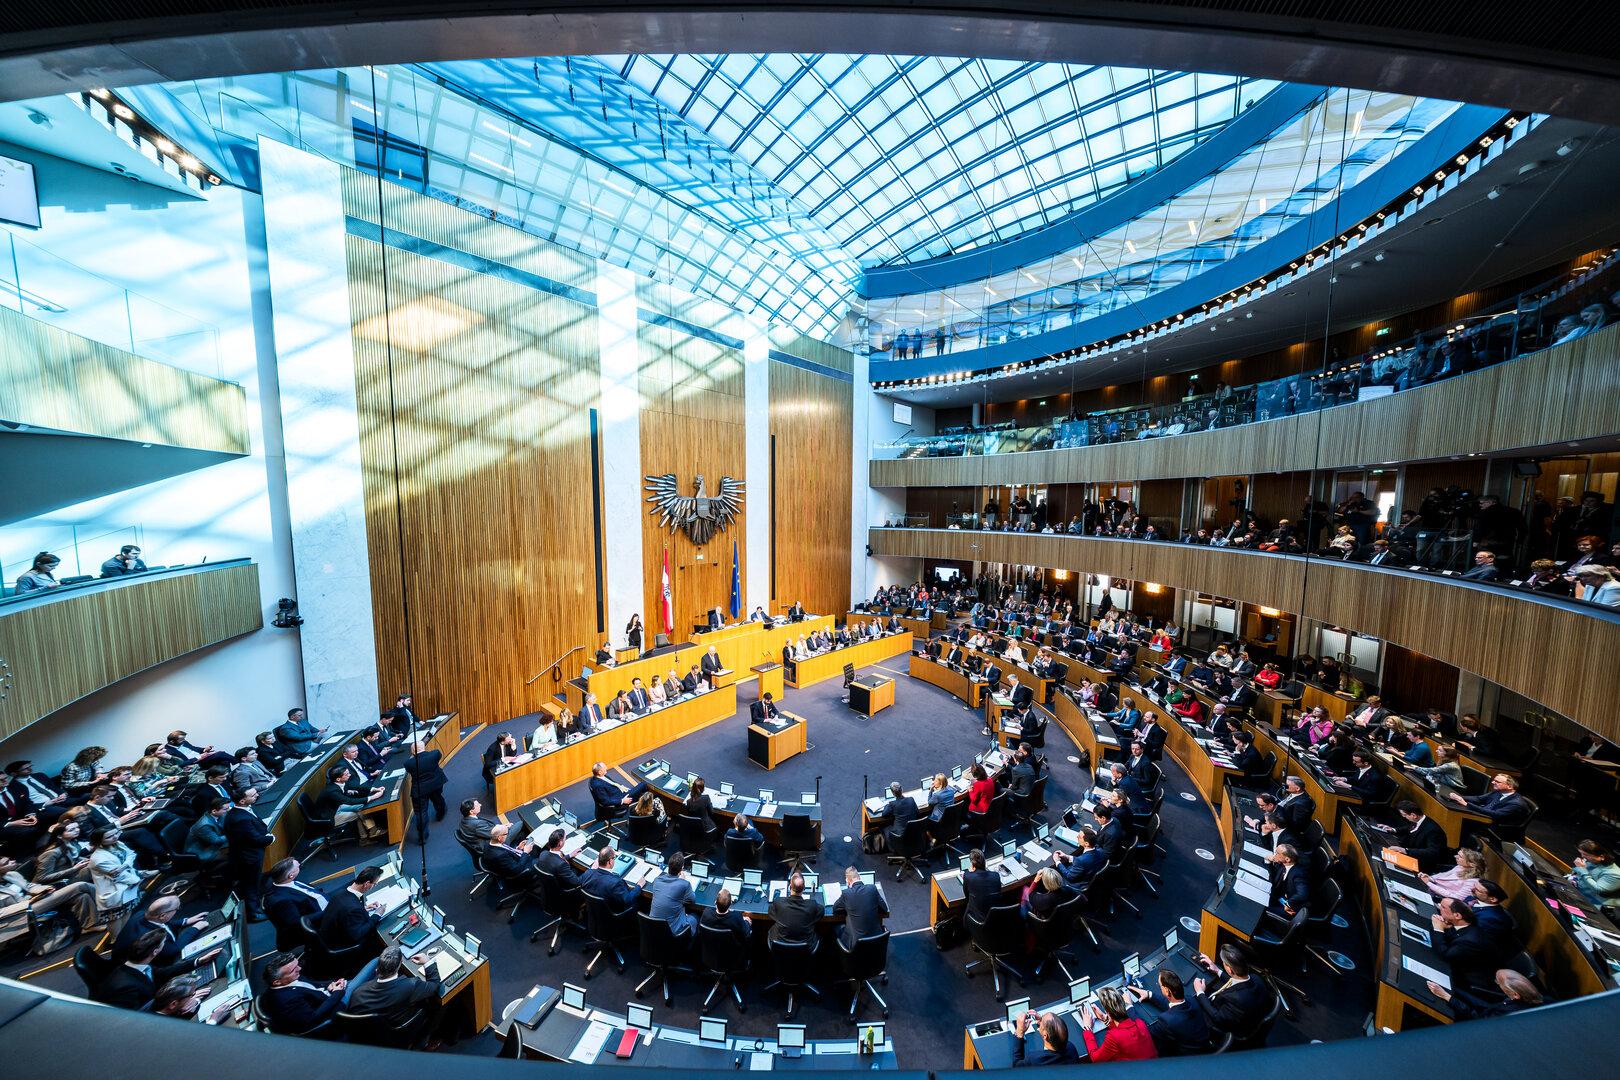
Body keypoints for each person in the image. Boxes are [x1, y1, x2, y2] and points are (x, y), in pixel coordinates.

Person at [258, 950, 374, 1035]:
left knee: (366, 979)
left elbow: (314, 984)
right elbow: (314, 1017)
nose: (299, 969)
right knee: (375, 963)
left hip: (330, 994)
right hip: (334, 1007)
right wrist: (337, 993)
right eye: (294, 969)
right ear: (277, 982)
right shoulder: (285, 1001)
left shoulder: (289, 978)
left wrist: (330, 985)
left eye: (297, 964)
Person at [347, 945, 442, 1036]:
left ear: (377, 969)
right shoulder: (410, 986)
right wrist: (427, 962)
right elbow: (434, 985)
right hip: (395, 1032)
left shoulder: (357, 992)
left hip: (366, 1033)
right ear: (400, 963)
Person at [0, 852, 98, 934]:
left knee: (82, 896)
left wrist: (45, 889)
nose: (12, 861)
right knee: (79, 886)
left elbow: (30, 886)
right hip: (22, 911)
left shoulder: (12, 874)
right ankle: (107, 906)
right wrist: (29, 902)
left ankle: (89, 926)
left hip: (37, 899)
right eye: (7, 863)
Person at [1432, 896, 1512, 993]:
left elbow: (1445, 955)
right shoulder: (1464, 925)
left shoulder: (1469, 941)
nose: (1439, 908)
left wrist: (1438, 929)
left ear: (1457, 916)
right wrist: (1442, 927)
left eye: (1443, 907)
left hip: (1468, 980)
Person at [1125, 970, 1210, 1056]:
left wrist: (1129, 1007)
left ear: (1166, 991)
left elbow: (1145, 1031)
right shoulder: (1191, 1000)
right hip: (1205, 1049)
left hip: (1187, 1059)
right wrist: (1149, 995)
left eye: (1160, 985)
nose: (1159, 987)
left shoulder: (1167, 1020)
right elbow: (1175, 1005)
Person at [113, 894, 210, 969]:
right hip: (152, 966)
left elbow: (164, 923)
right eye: (177, 908)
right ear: (162, 915)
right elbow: (173, 950)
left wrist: (185, 921)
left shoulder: (143, 914)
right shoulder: (150, 936)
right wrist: (195, 928)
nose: (177, 911)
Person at [1191, 944, 1270, 1033]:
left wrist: (1200, 992)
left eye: (1224, 963)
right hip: (1249, 1012)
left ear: (1229, 970)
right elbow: (1238, 982)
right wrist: (1217, 970)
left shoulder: (1235, 1000)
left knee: (1190, 1004)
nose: (1223, 964)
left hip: (1217, 1025)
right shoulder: (1256, 978)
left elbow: (1217, 1017)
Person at [223, 788, 273, 914]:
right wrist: (271, 838)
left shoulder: (241, 811)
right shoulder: (240, 819)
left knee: (253, 882)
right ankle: (254, 912)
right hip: (248, 857)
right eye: (253, 795)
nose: (257, 795)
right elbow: (255, 840)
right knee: (251, 884)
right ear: (242, 800)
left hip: (248, 853)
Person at [1426, 969, 1545, 1020]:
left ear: (1515, 995)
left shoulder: (1506, 1013)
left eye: (1499, 983)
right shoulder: (1533, 996)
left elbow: (1476, 1017)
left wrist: (1446, 996)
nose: (1498, 984)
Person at [263, 857, 330, 947]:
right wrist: (330, 911)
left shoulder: (284, 880)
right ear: (291, 875)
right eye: (297, 867)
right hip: (319, 918)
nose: (300, 865)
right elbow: (298, 924)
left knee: (353, 886)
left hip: (320, 901)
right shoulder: (282, 901)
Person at [317, 865, 385, 952]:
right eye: (375, 884)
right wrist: (377, 914)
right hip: (339, 943)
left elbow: (345, 912)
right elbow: (357, 934)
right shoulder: (353, 908)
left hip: (328, 933)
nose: (375, 885)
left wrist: (364, 909)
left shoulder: (340, 893)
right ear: (366, 884)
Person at [1082, 986, 1159, 1061]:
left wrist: (1088, 1028)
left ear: (1108, 1013)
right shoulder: (1140, 1023)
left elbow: (1096, 1058)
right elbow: (1124, 1030)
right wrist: (1104, 1018)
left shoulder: (1113, 1037)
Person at [87, 827, 146, 915]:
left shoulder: (117, 843)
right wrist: (139, 878)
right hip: (114, 895)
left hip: (127, 887)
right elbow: (118, 875)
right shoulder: (98, 858)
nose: (115, 837)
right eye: (109, 837)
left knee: (133, 913)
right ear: (99, 841)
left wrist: (124, 866)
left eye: (115, 834)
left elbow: (131, 854)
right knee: (118, 926)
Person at [832, 865, 889, 948]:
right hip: (877, 941)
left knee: (836, 927)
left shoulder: (846, 893)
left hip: (856, 946)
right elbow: (885, 908)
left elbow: (835, 909)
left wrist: (848, 908)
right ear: (859, 877)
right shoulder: (872, 888)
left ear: (847, 881)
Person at [403, 739, 447, 842]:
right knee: (438, 800)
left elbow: (410, 769)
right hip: (435, 784)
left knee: (421, 812)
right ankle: (440, 814)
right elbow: (438, 757)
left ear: (413, 751)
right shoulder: (435, 754)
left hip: (420, 790)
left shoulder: (408, 763)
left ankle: (422, 837)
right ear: (424, 748)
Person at [1447, 772, 1528, 827]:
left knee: (1455, 821)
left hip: (1493, 825)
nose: (1493, 782)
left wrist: (1466, 804)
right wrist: (1459, 797)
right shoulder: (1498, 792)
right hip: (1483, 815)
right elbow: (1479, 799)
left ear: (1509, 786)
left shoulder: (1516, 803)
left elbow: (1495, 814)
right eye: (1494, 780)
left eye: (1497, 781)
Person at [1388, 801, 1450, 872]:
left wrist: (1406, 851)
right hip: (1412, 855)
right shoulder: (1419, 820)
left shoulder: (1433, 830)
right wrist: (1393, 830)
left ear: (1413, 815)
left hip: (1423, 864)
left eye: (1404, 815)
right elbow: (1409, 828)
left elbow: (1432, 852)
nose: (1404, 817)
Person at [647, 852, 696, 940]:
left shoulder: (657, 880)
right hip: (672, 933)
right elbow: (692, 900)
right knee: (694, 917)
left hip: (652, 928)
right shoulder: (684, 884)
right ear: (682, 868)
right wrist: (683, 881)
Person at [767, 871, 821, 949]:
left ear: (789, 887)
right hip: (805, 949)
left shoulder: (779, 902)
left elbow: (771, 912)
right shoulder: (812, 905)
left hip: (780, 947)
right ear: (804, 888)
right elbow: (821, 912)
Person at [1010, 1009, 1081, 1066]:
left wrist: (1019, 1032)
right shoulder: (1071, 1048)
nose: (1040, 1021)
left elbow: (1017, 1065)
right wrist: (1044, 1024)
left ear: (1045, 1035)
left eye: (1041, 1021)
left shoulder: (1035, 1059)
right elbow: (1052, 1032)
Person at [581, 846, 639, 913]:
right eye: (614, 858)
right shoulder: (615, 882)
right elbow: (628, 900)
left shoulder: (588, 873)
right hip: (613, 917)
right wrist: (638, 887)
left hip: (592, 913)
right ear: (610, 861)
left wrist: (592, 869)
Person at [184, 796, 231, 869]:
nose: (228, 810)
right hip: (202, 851)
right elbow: (216, 840)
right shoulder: (204, 825)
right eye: (225, 809)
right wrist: (232, 834)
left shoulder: (216, 815)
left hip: (210, 844)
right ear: (214, 811)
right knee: (236, 853)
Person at [1572, 839, 1620, 906]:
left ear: (1601, 857)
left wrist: (1582, 870)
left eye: (1586, 854)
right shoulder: (1591, 862)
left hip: (1595, 905)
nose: (1582, 857)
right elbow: (1577, 876)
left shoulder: (1615, 874)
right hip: (1578, 894)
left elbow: (1598, 890)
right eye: (1581, 853)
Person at [1267, 843, 1310, 917]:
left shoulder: (1298, 874)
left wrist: (1289, 904)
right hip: (1279, 897)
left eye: (1277, 853)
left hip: (1291, 908)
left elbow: (1302, 894)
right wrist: (1269, 862)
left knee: (1264, 909)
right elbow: (1274, 876)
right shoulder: (1283, 865)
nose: (1274, 854)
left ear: (1287, 859)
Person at [963, 848, 1003, 919]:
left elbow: (967, 896)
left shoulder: (968, 876)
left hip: (977, 919)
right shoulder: (996, 875)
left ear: (972, 864)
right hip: (995, 916)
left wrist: (969, 872)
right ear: (984, 862)